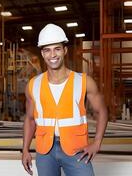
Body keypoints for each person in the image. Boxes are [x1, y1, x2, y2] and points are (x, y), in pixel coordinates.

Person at [21, 23, 108, 176]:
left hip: (76, 149)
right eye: (47, 50)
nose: (52, 55)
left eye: (57, 49)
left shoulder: (84, 81)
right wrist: (25, 149)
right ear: (42, 53)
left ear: (65, 50)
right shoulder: (33, 84)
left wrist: (97, 143)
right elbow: (30, 119)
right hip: (45, 151)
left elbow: (102, 111)